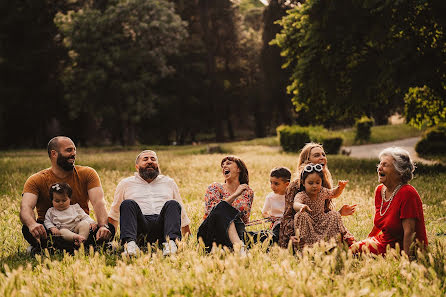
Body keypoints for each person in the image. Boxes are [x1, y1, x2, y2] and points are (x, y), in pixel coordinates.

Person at [20, 136, 114, 254]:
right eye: (69, 150)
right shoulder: (36, 179)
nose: (73, 153)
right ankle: (87, 247)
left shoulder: (88, 173)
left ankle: (47, 248)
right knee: (27, 229)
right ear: (54, 154)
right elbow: (25, 208)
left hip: (79, 228)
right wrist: (32, 224)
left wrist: (103, 227)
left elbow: (98, 202)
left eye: (74, 150)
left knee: (109, 228)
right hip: (53, 230)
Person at [108, 150, 191, 257]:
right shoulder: (125, 183)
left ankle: (171, 245)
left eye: (153, 159)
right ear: (137, 166)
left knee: (173, 204)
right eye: (145, 159)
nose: (150, 161)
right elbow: (114, 213)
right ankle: (130, 245)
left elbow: (181, 212)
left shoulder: (169, 182)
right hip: (139, 229)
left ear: (158, 165)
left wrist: (188, 237)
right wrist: (109, 238)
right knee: (127, 204)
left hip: (163, 229)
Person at [350, 147, 428, 257]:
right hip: (384, 242)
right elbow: (380, 224)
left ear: (399, 172)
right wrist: (367, 239)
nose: (379, 168)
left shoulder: (407, 193)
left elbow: (409, 232)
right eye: (379, 165)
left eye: (385, 165)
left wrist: (407, 261)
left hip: (400, 248)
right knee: (351, 249)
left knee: (351, 253)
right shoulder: (379, 190)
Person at [279, 143, 356, 249]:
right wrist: (291, 236)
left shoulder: (323, 184)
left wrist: (339, 212)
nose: (322, 158)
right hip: (303, 227)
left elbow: (326, 209)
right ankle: (309, 247)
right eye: (316, 155)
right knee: (302, 216)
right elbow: (288, 216)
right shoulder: (295, 187)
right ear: (307, 161)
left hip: (319, 225)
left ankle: (331, 245)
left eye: (323, 155)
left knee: (335, 216)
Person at [197, 156, 254, 255]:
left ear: (239, 169)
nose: (224, 166)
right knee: (224, 208)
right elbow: (214, 212)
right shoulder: (215, 187)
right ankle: (240, 247)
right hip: (210, 231)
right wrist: (236, 194)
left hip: (236, 231)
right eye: (222, 165)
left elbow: (245, 219)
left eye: (228, 163)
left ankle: (229, 248)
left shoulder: (247, 192)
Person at [291, 163, 355, 250]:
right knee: (300, 215)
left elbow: (333, 193)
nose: (314, 186)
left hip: (321, 220)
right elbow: (295, 204)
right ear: (303, 183)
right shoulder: (302, 195)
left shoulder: (322, 191)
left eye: (318, 182)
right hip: (308, 223)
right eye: (310, 183)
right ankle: (305, 246)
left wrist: (340, 188)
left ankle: (336, 240)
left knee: (333, 214)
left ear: (321, 182)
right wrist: (301, 206)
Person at [261, 167, 291, 242]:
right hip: (277, 224)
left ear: (287, 184)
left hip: (290, 223)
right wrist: (270, 217)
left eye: (276, 184)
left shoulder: (291, 196)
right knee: (278, 230)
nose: (272, 186)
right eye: (271, 183)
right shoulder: (270, 197)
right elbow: (264, 212)